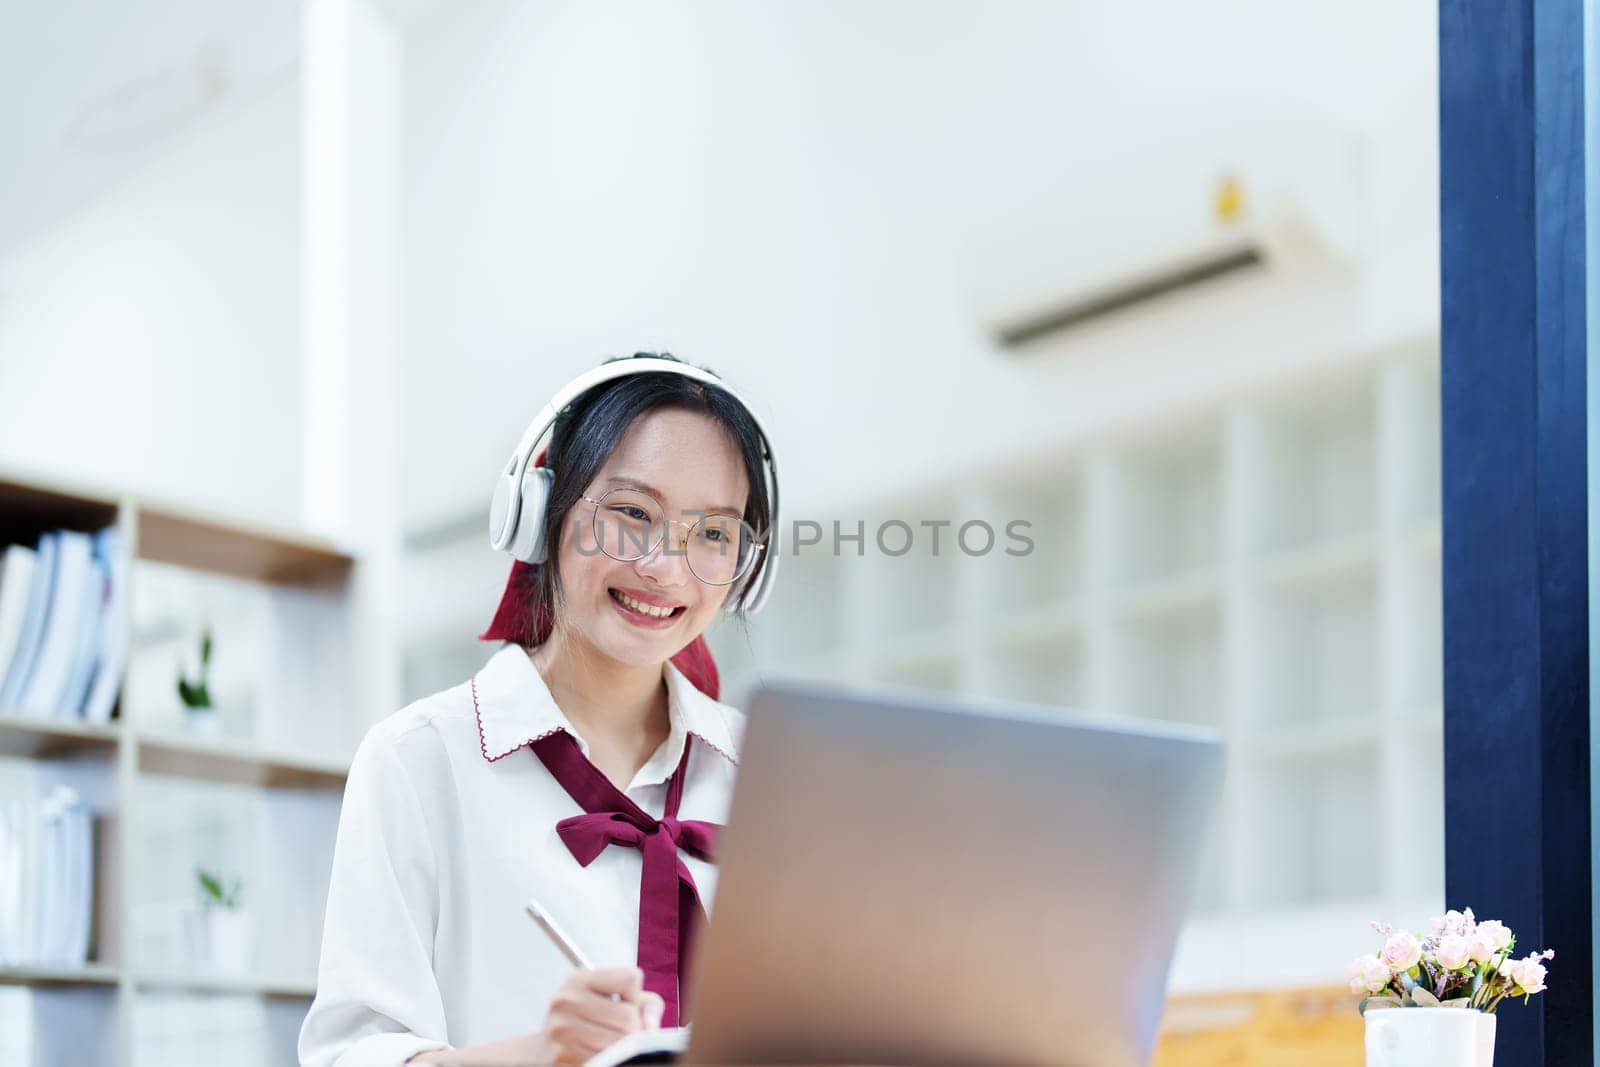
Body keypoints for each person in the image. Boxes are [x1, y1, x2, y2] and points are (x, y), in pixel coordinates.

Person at [299, 353, 780, 1067]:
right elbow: (349, 1058)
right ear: (540, 513)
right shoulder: (420, 759)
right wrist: (534, 1055)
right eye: (630, 514)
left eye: (712, 533)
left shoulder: (770, 775)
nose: (666, 569)